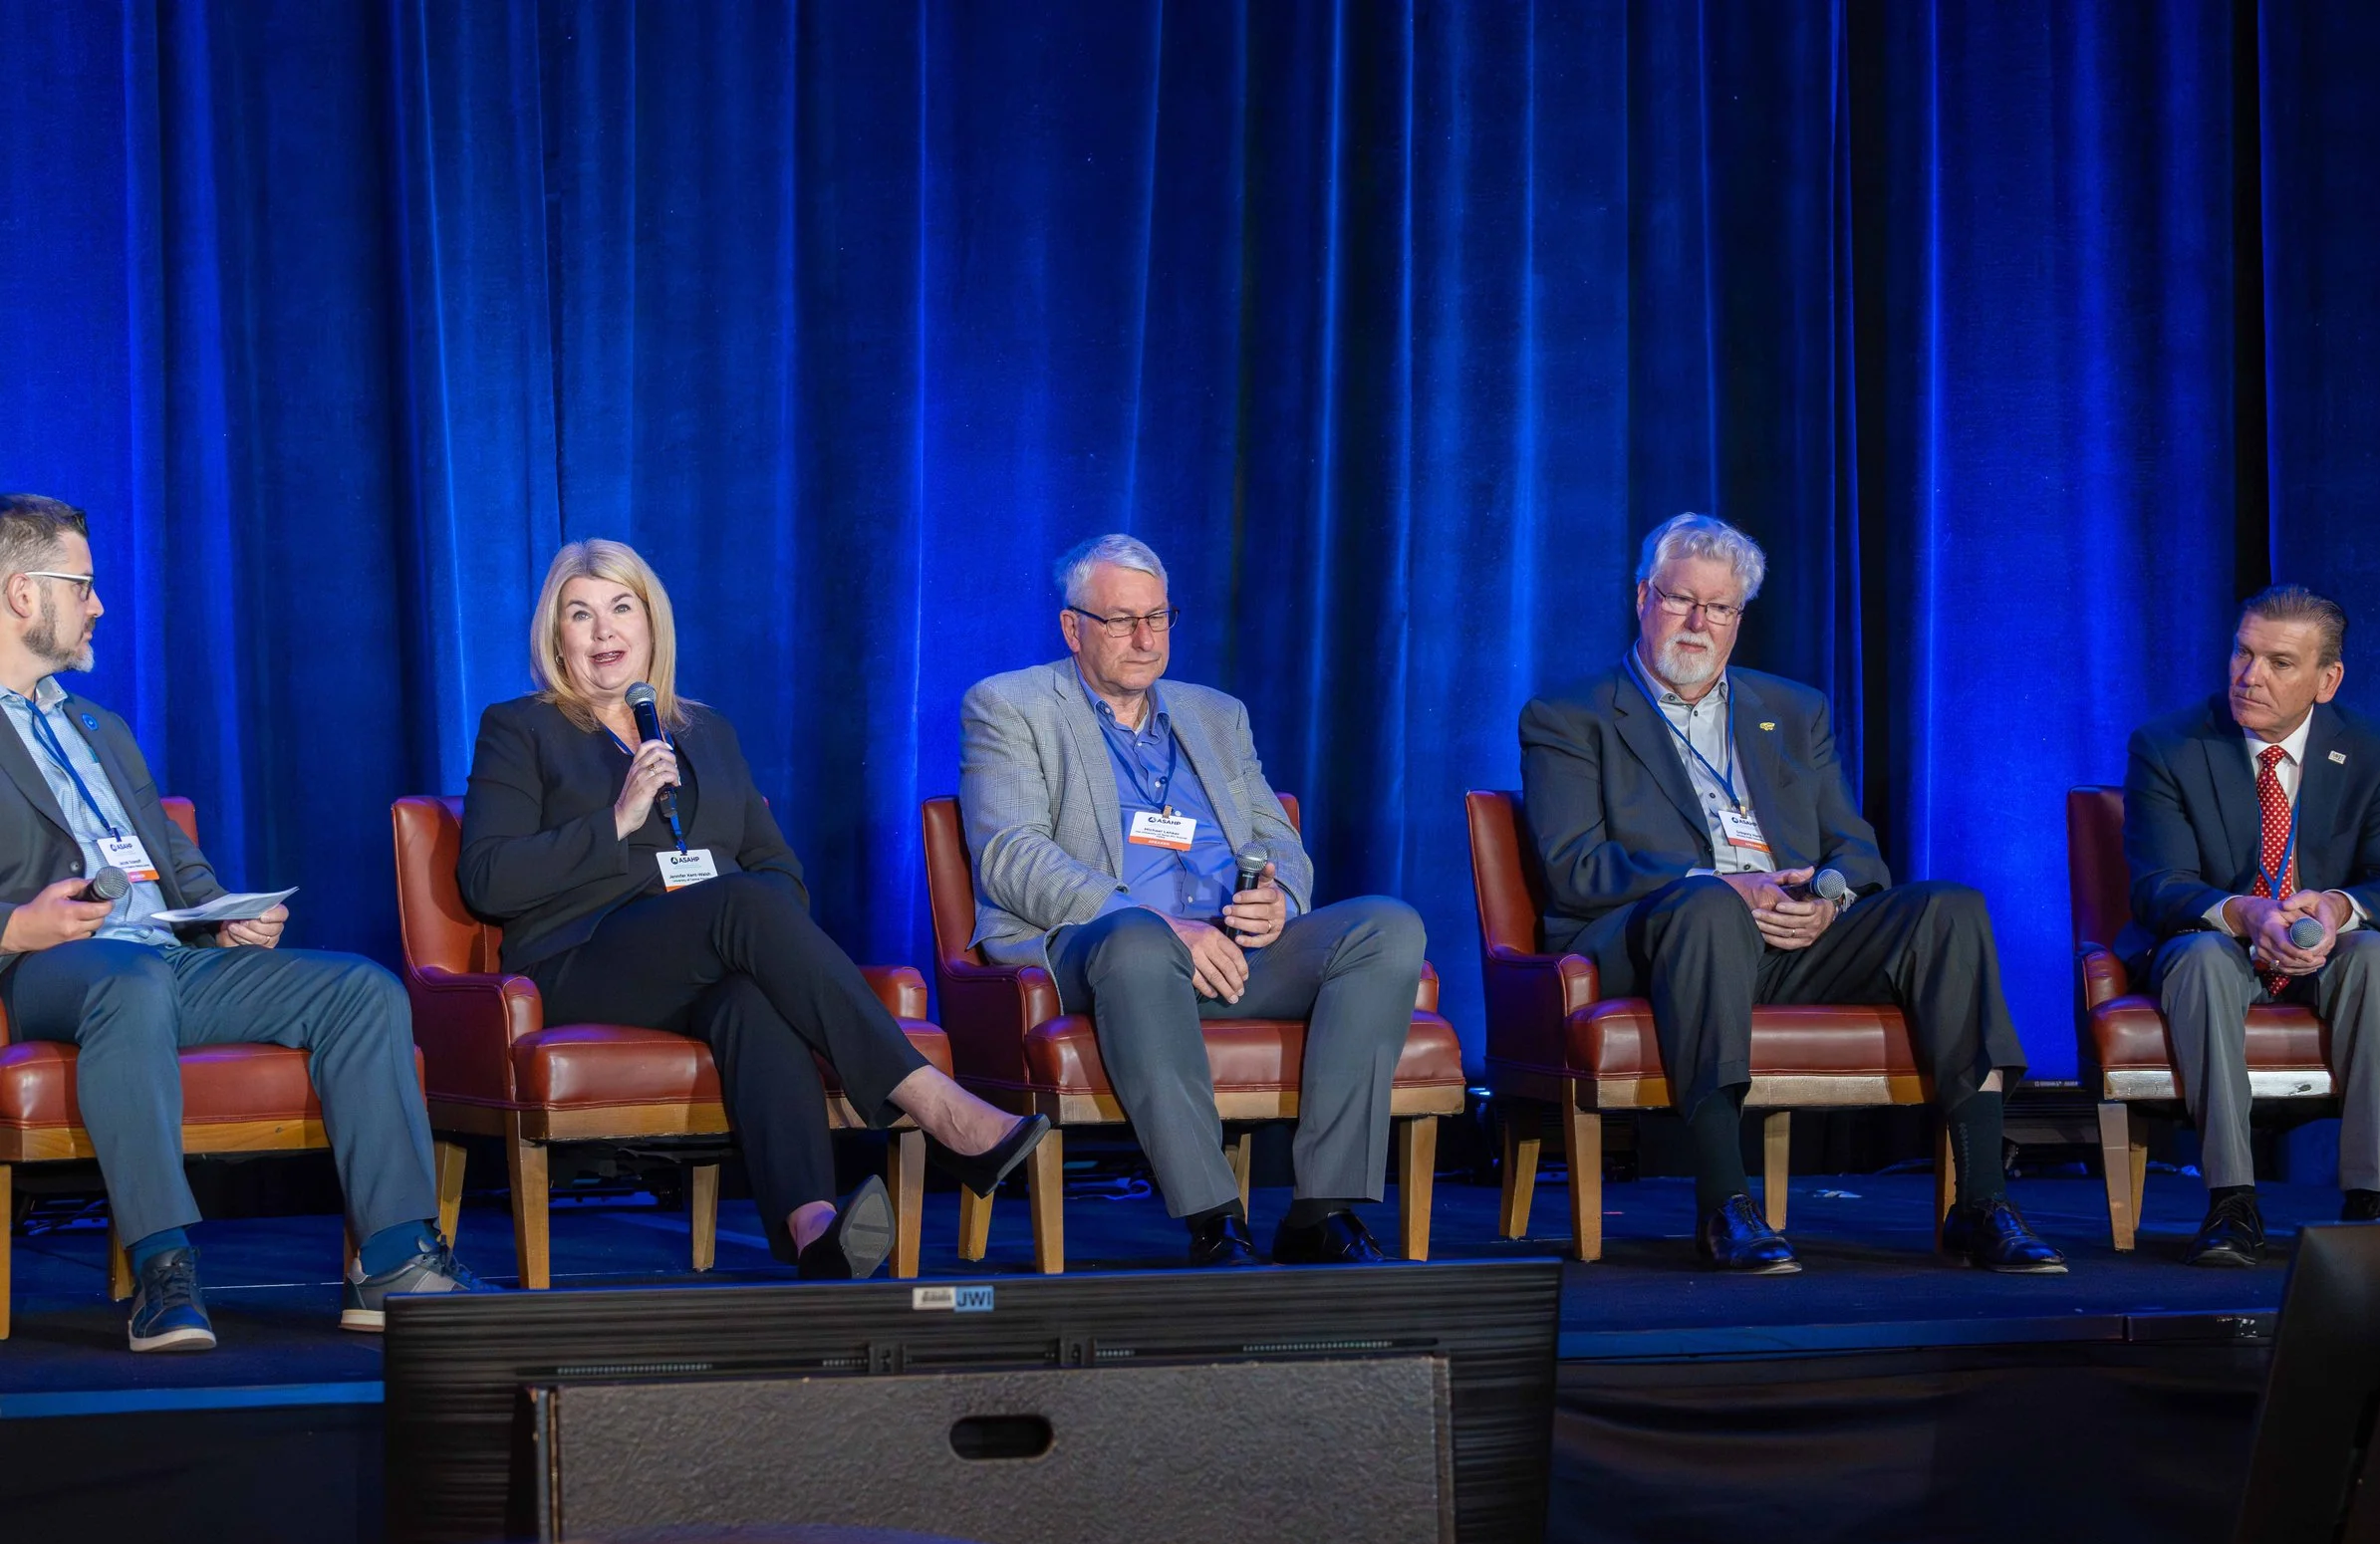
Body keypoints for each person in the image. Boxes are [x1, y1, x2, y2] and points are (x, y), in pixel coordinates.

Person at [458, 539, 1043, 1279]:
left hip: (707, 955)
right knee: (735, 901)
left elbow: (780, 876)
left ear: (651, 623)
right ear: (557, 637)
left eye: (620, 608)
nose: (604, 632)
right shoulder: (522, 728)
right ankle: (937, 1105)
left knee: (749, 995)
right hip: (580, 959)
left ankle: (814, 1227)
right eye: (581, 614)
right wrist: (617, 817)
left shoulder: (707, 731)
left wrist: (737, 920)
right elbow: (486, 878)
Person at [0, 495, 485, 1351]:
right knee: (130, 979)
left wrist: (221, 913)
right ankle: (164, 1269)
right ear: (21, 594)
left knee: (361, 991)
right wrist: (16, 928)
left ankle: (395, 1260)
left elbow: (170, 855)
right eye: (84, 584)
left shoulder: (98, 726)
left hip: (168, 958)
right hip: (58, 964)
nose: (100, 604)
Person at [1519, 512, 2061, 1274]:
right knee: (1707, 906)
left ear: (1740, 617)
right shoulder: (1570, 716)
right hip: (1654, 938)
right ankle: (1725, 1204)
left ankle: (1981, 1203)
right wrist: (1717, 882)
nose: (1698, 623)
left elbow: (1857, 851)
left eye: (1720, 608)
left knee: (1951, 908)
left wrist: (1829, 899)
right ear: (1643, 595)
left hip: (1791, 934)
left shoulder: (1794, 709)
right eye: (1681, 600)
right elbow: (1577, 868)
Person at [957, 534, 1426, 1267]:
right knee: (1141, 942)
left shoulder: (1215, 714)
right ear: (1072, 627)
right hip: (1107, 949)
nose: (1145, 638)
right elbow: (1011, 854)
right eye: (1120, 620)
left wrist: (1280, 896)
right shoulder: (1011, 705)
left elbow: (1277, 837)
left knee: (1388, 926)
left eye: (1159, 617)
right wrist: (1159, 925)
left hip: (1235, 950)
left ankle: (1322, 1208)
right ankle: (1216, 1215)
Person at [2120, 585, 2380, 1266]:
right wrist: (2248, 911)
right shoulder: (2168, 746)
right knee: (2202, 956)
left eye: (2279, 662)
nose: (2249, 675)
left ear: (2328, 680)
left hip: (2330, 952)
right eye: (2243, 651)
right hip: (2219, 947)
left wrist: (2332, 909)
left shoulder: (2378, 750)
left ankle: (2374, 1203)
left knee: (2377, 954)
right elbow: (2158, 887)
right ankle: (2232, 1202)